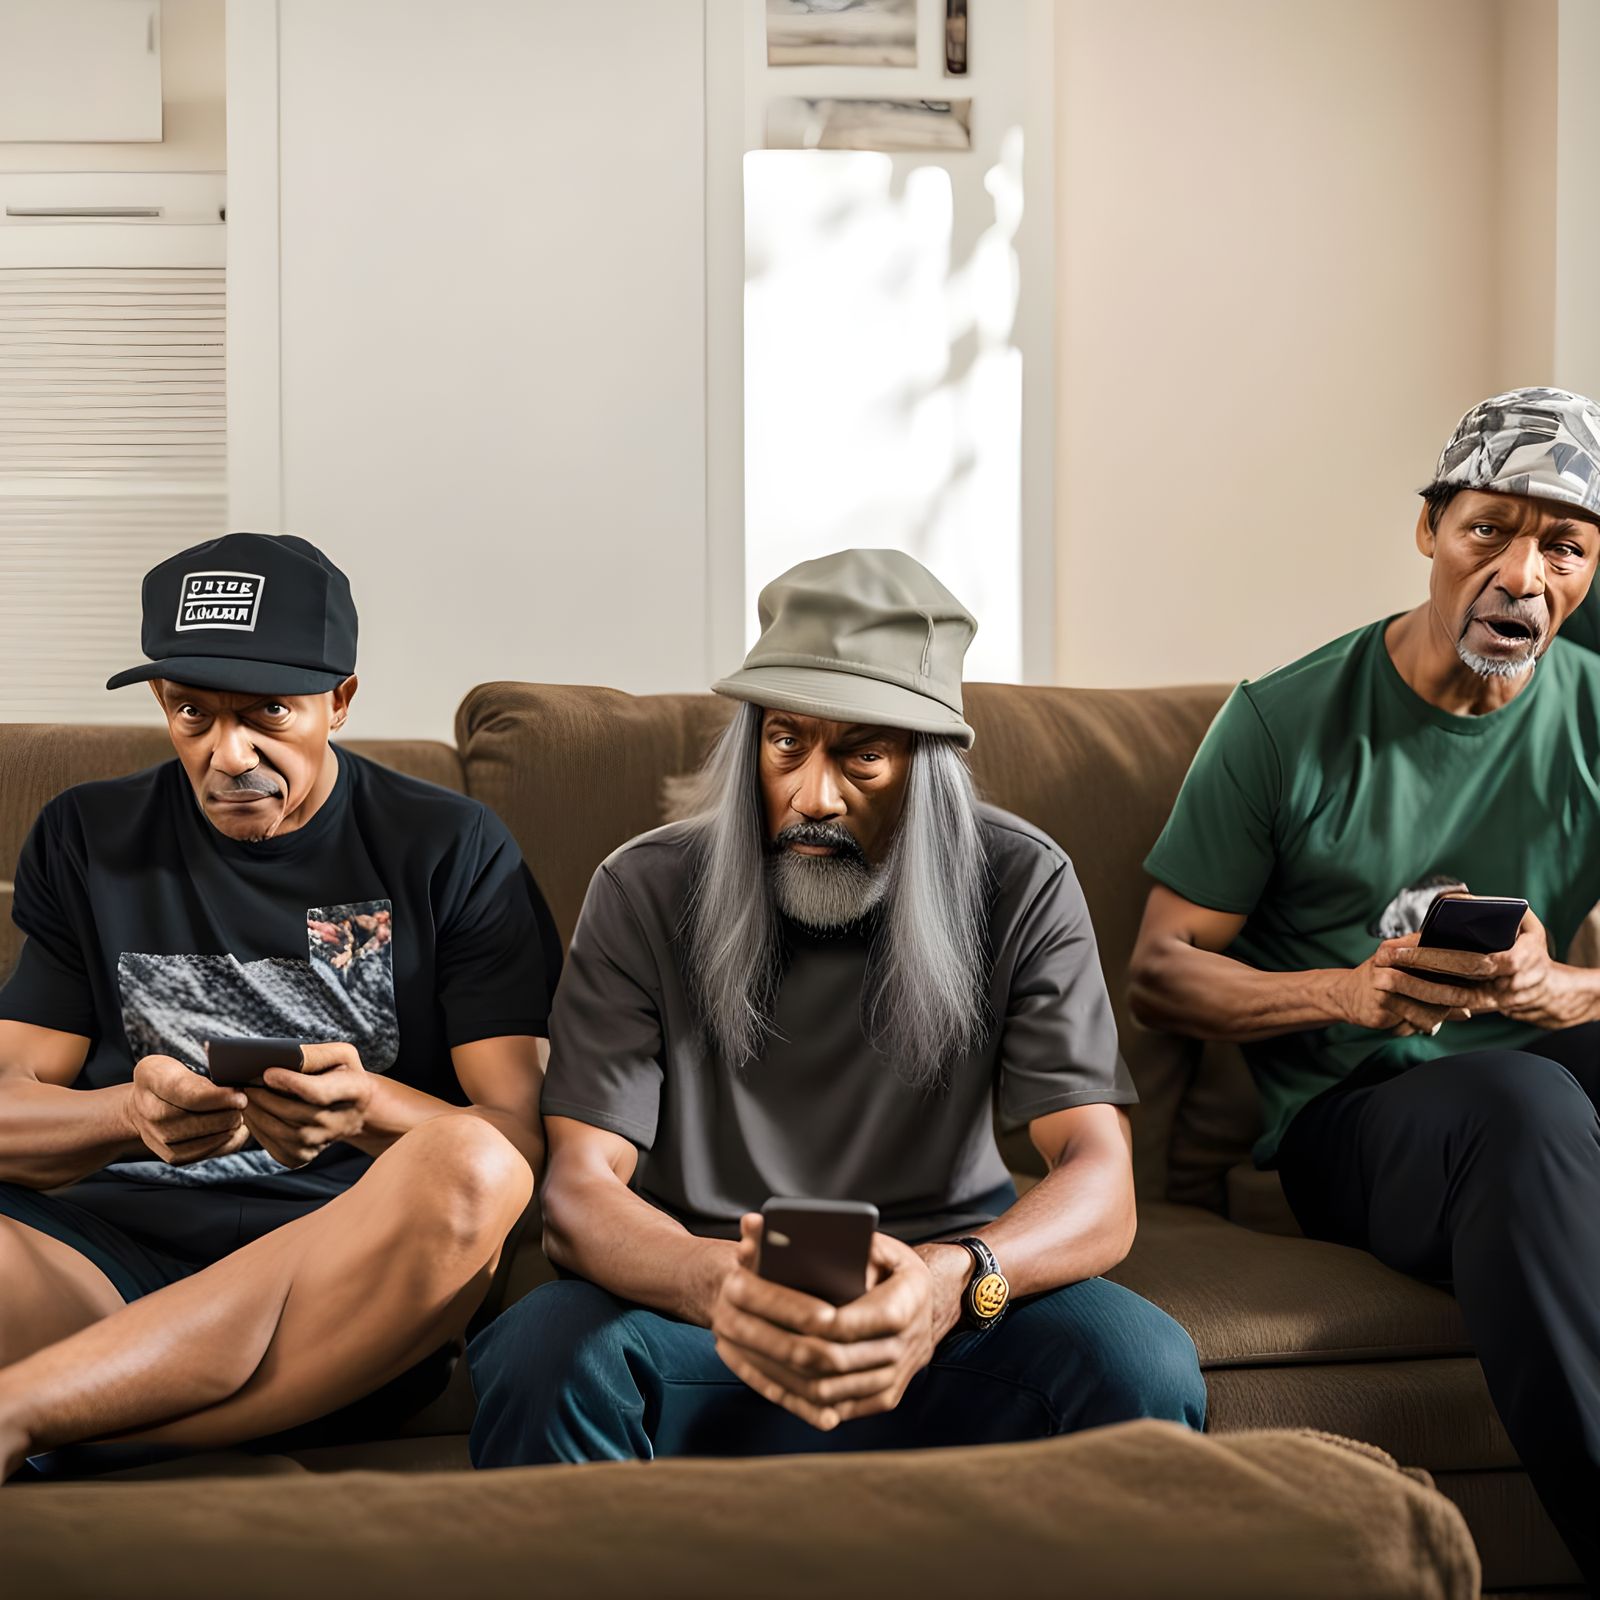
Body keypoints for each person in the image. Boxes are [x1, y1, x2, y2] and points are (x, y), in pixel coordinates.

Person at [469, 548, 1205, 1467]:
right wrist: (715, 1283)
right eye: (786, 742)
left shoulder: (1023, 880)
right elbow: (580, 1188)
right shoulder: (642, 889)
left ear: (927, 767)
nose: (812, 796)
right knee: (543, 1358)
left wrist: (954, 1279)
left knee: (1142, 1364)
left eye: (863, 754)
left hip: (944, 1305)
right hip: (700, 1307)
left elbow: (1100, 1172)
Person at [1128, 387, 1600, 1587]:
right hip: (1353, 1116)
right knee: (1525, 1108)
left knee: (1547, 1086)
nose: (1521, 575)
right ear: (1428, 530)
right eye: (1487, 530)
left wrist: (1557, 986)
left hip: (1535, 1079)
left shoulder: (1594, 717)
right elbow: (1161, 970)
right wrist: (1346, 995)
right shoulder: (1281, 720)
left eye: (1563, 547)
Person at [0, 533, 560, 1478]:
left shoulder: (451, 846)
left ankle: (52, 1418)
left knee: (474, 1166)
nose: (230, 755)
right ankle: (101, 1410)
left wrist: (368, 1107)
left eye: (268, 712)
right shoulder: (85, 836)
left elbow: (521, 1140)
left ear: (340, 700)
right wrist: (127, 1117)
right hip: (105, 1261)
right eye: (193, 712)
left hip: (335, 1282)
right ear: (161, 701)